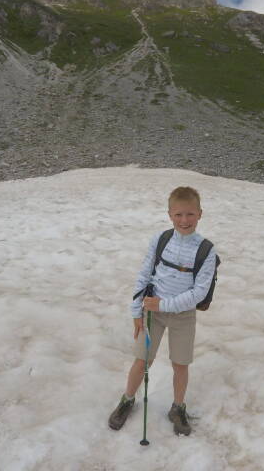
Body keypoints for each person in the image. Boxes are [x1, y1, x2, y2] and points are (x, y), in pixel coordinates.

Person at [107, 186, 217, 436]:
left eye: (190, 214)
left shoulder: (206, 250)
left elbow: (199, 292)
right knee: (142, 359)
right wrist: (137, 312)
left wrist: (162, 305)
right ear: (169, 215)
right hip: (151, 313)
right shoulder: (160, 240)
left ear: (200, 214)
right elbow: (144, 275)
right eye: (178, 214)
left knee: (180, 364)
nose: (184, 220)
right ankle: (127, 399)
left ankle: (178, 407)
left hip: (183, 315)